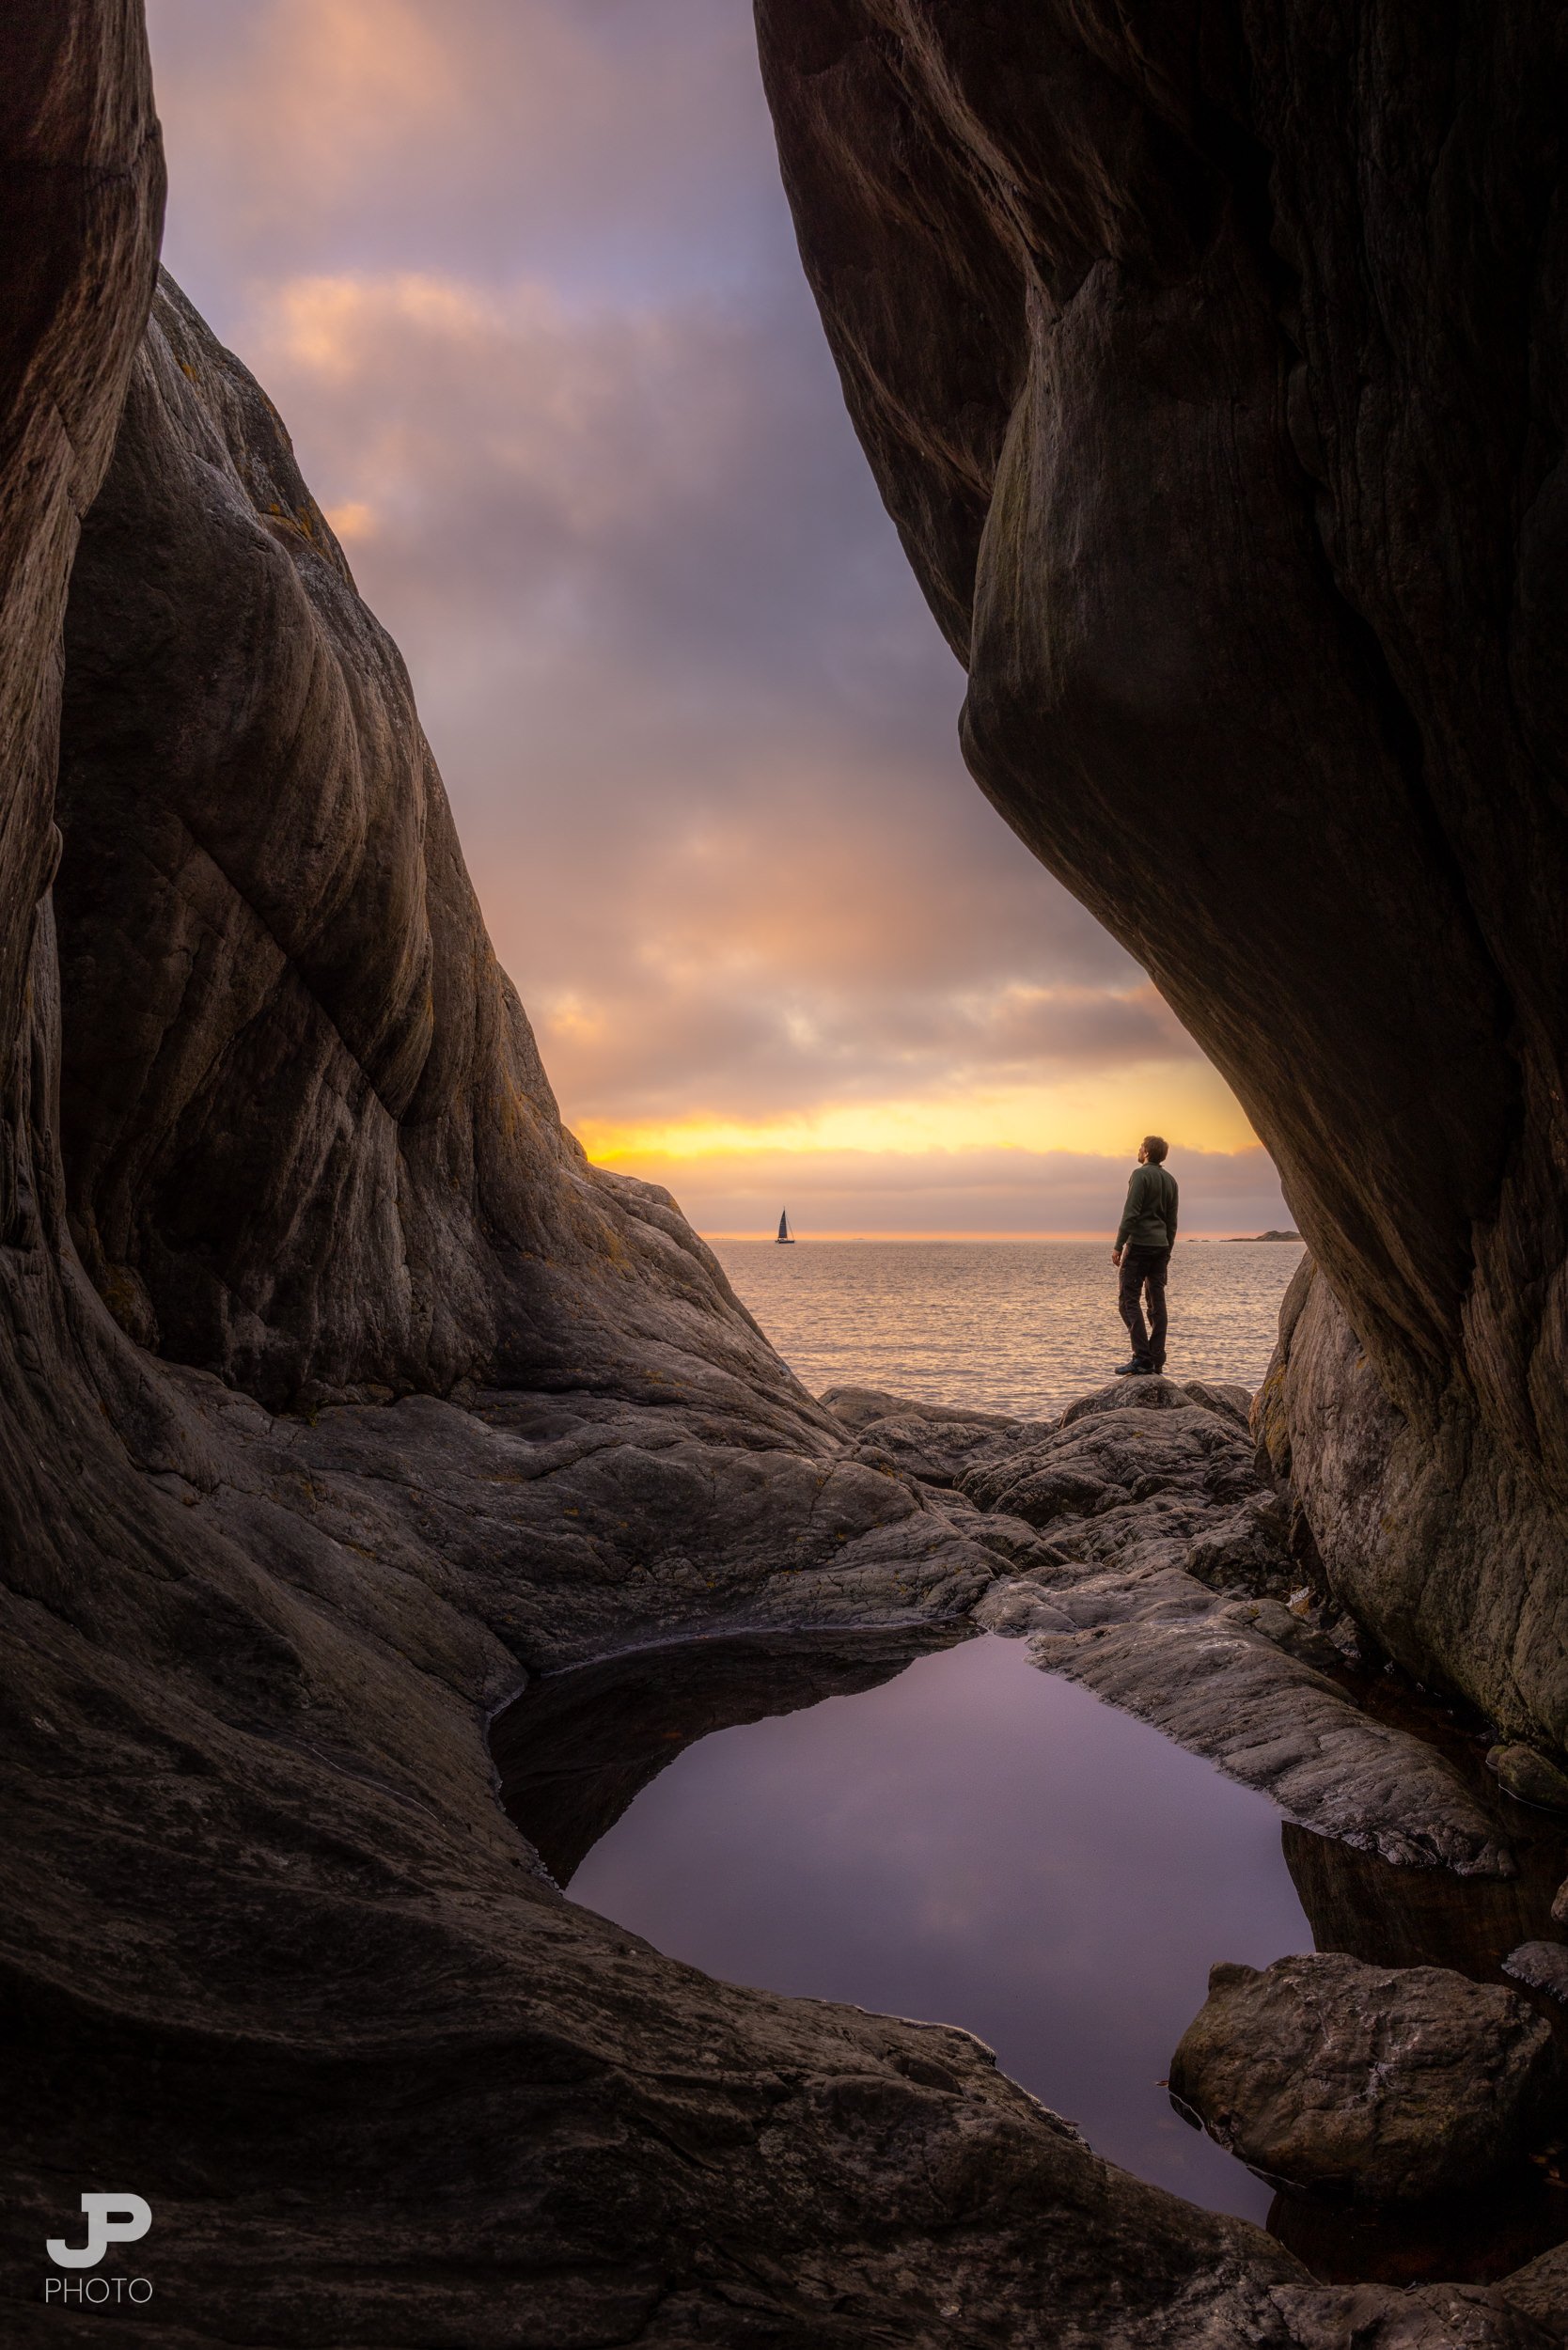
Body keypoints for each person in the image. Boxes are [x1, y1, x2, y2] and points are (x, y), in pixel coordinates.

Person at [1111, 1136, 1178, 1375]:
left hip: (1139, 1245)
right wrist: (1167, 1252)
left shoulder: (1140, 1175)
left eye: (1141, 1146)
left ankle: (1142, 1357)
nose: (1138, 1149)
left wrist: (1119, 1245)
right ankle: (1157, 1358)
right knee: (1156, 1303)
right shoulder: (1170, 1180)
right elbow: (1172, 1222)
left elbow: (1131, 1212)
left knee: (1128, 1300)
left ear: (1147, 1152)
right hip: (1161, 1247)